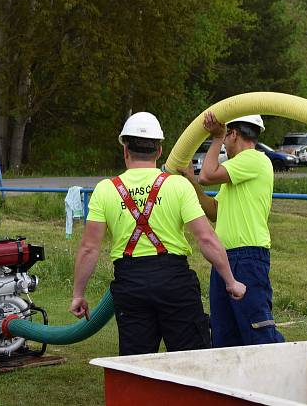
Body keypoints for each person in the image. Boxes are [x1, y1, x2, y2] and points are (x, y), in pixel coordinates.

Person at [69, 111, 246, 356]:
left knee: (137, 364)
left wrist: (78, 294)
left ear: (125, 150)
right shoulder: (178, 185)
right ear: (159, 151)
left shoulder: (105, 190)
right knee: (192, 359)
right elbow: (205, 237)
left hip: (130, 284)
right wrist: (230, 281)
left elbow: (89, 248)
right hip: (174, 282)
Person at [178, 112, 285, 347]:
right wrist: (190, 183)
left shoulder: (254, 159)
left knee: (256, 329)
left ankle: (275, 375)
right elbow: (215, 210)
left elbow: (207, 175)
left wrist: (215, 137)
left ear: (233, 134)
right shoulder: (235, 174)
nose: (224, 144)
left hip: (247, 257)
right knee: (224, 332)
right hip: (225, 259)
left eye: (226, 138)